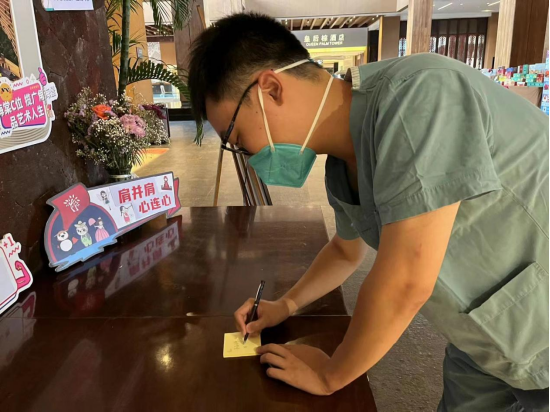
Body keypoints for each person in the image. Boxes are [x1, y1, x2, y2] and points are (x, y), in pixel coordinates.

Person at [188, 13, 549, 411]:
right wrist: (285, 305)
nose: (249, 157)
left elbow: (407, 279)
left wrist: (331, 373)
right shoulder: (343, 165)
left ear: (271, 89)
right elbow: (346, 251)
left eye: (238, 138)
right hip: (479, 340)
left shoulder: (421, 94)